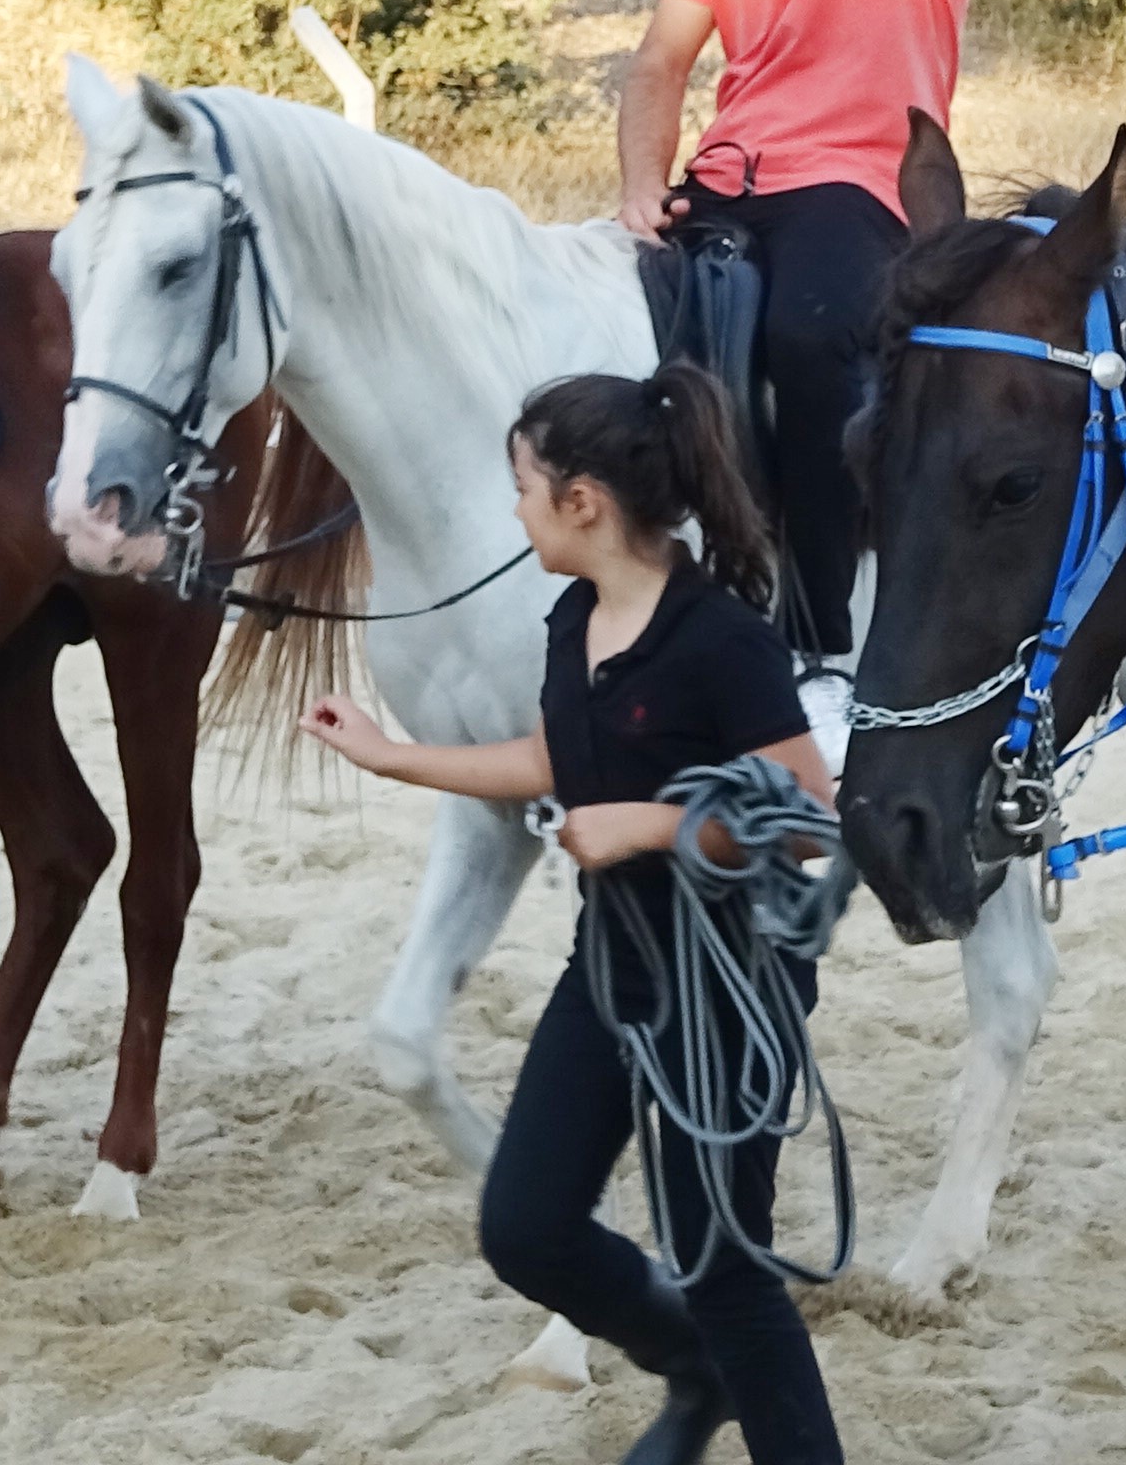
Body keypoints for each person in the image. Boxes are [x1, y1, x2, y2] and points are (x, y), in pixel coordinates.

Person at [301, 366, 844, 1465]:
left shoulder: (722, 642)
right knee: (527, 1228)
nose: (516, 508)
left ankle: (752, 1396)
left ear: (583, 501)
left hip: (725, 989)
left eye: (525, 487)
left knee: (724, 1266)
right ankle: (692, 1370)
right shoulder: (573, 618)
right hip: (612, 966)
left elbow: (804, 822)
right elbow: (555, 757)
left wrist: (648, 826)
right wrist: (389, 755)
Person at [589, 0, 988, 695]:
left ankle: (821, 647)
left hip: (860, 184)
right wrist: (637, 189)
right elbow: (665, 59)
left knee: (817, 342)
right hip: (727, 182)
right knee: (614, 354)